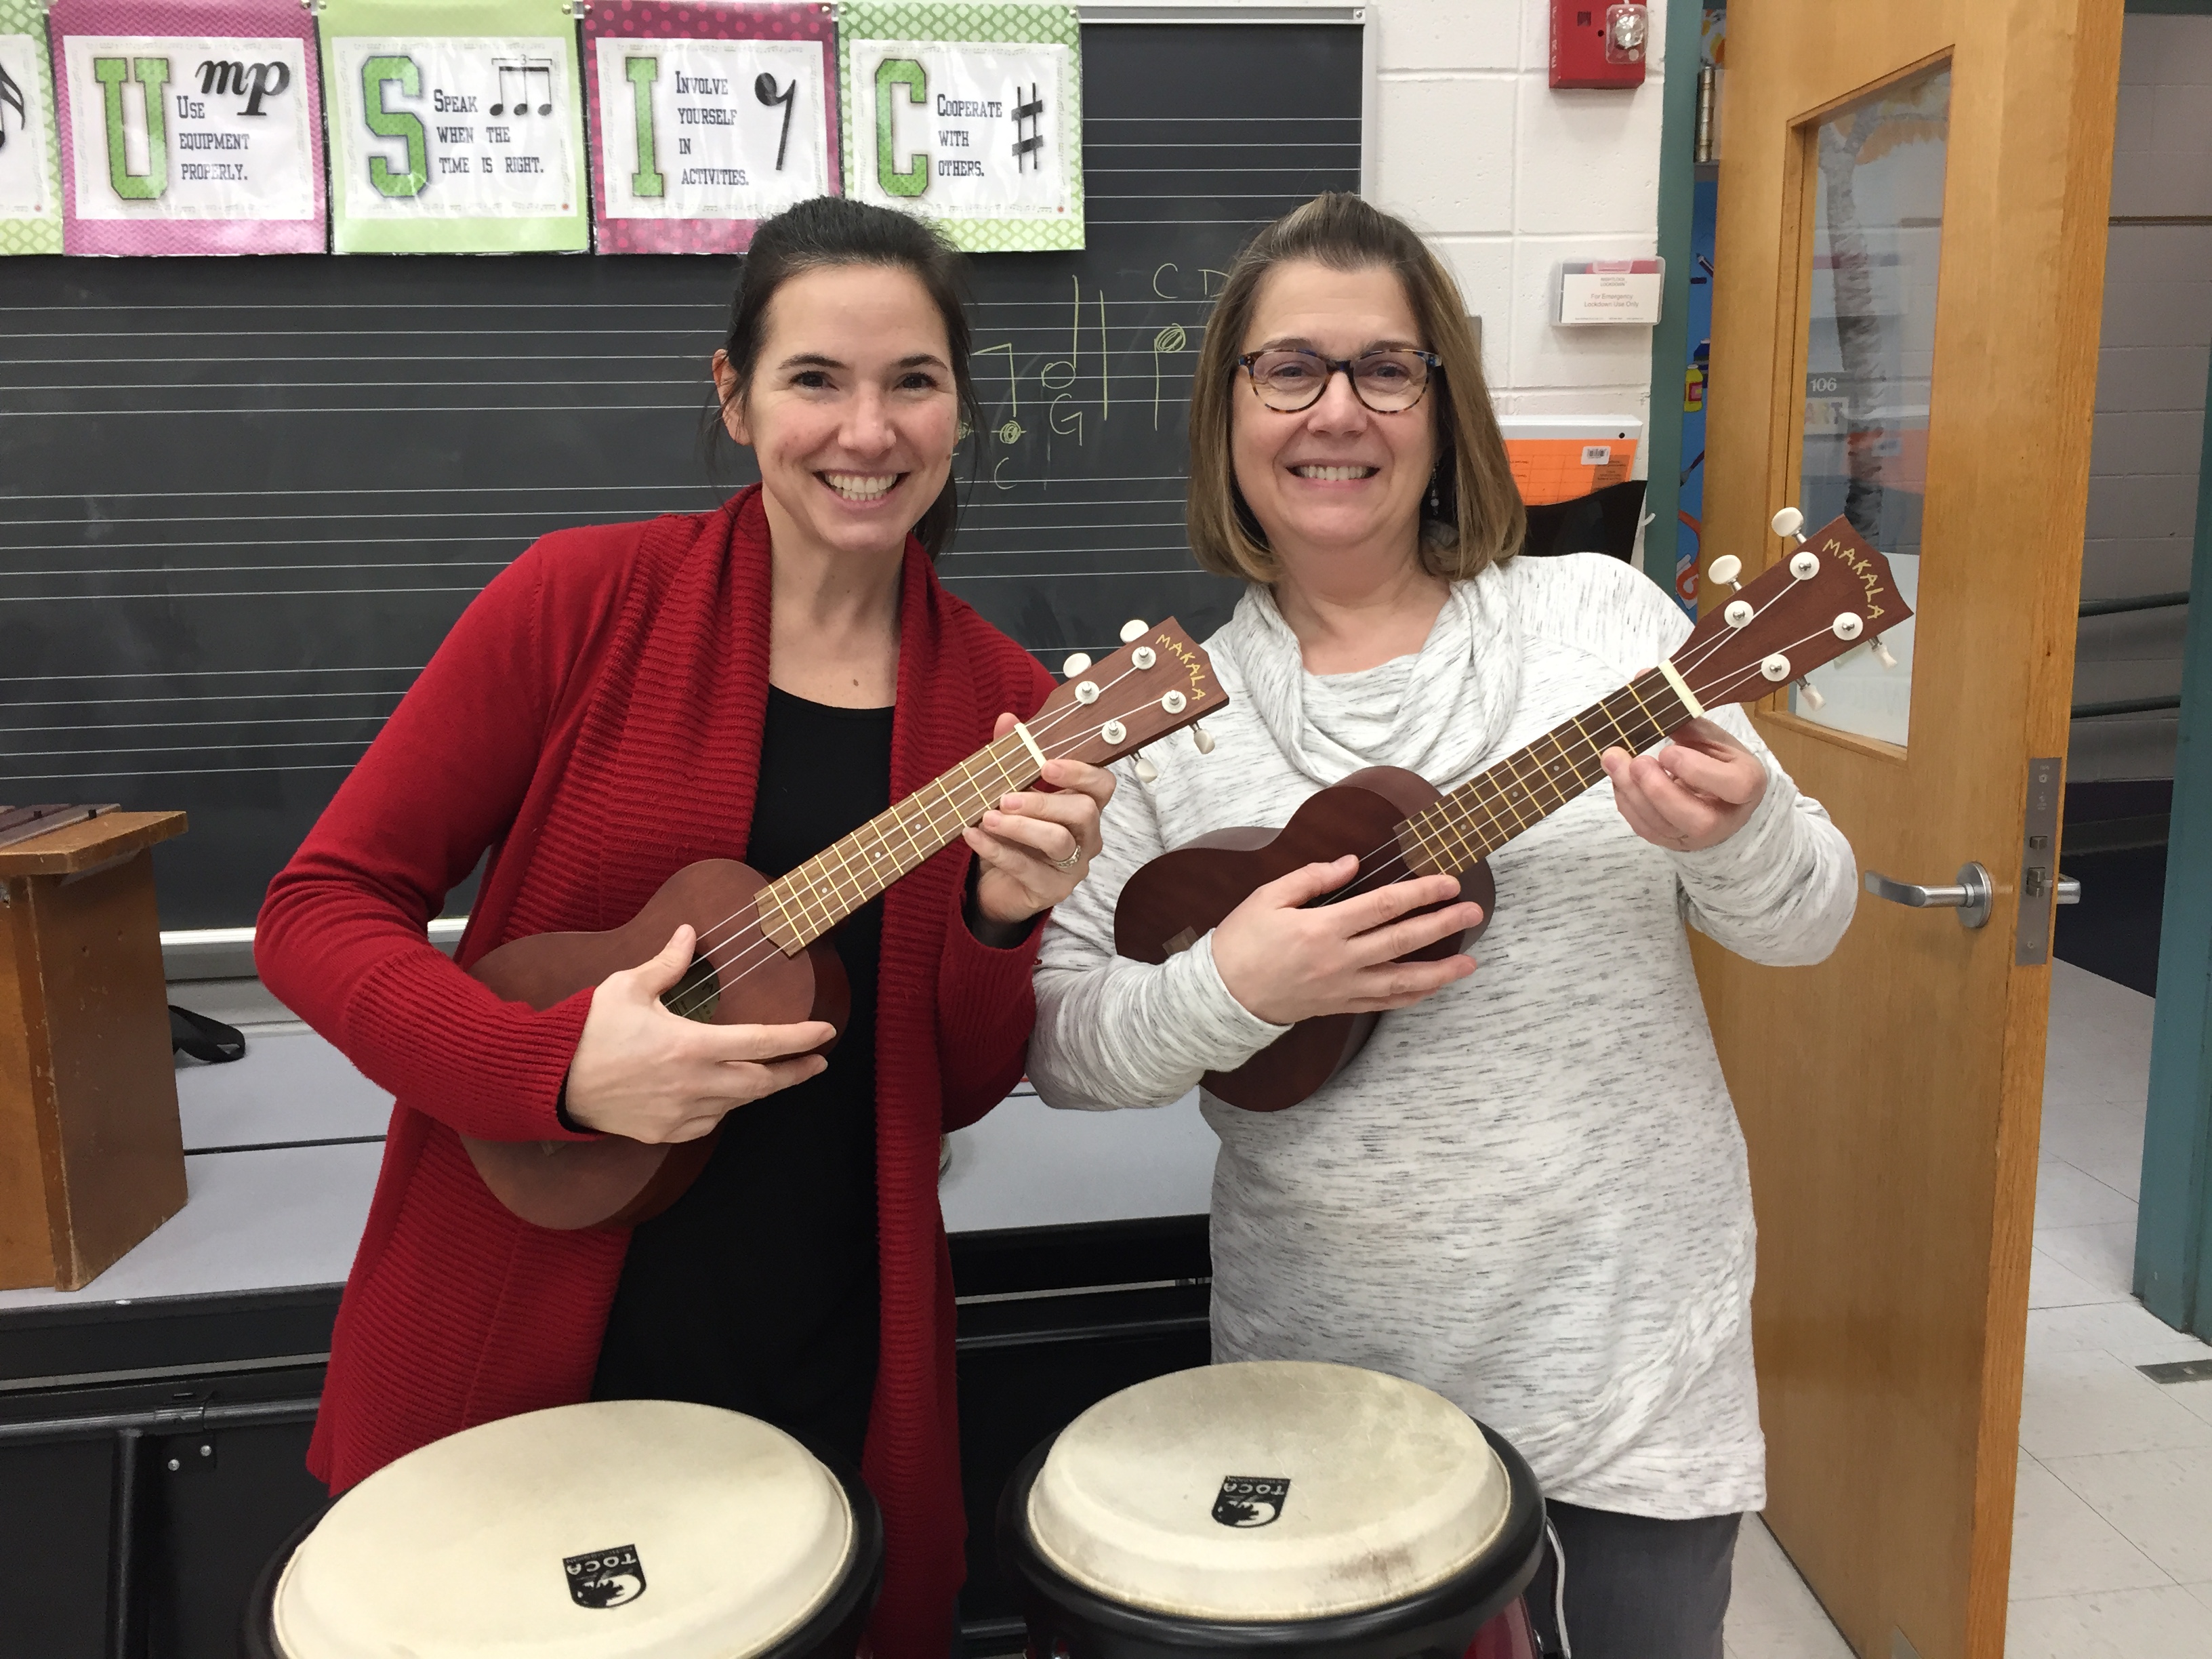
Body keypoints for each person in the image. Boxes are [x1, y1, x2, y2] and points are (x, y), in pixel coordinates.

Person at [256, 197, 1114, 1659]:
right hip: (527, 1312)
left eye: (914, 379)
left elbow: (955, 1089)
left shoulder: (1002, 706)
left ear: (962, 406)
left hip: (825, 1343)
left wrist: (998, 917)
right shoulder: (579, 603)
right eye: (814, 379)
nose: (869, 429)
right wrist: (553, 1072)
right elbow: (315, 911)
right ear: (733, 394)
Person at [1025, 193, 1856, 1659]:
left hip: (1627, 1355)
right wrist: (1238, 983)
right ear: (1230, 409)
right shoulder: (1163, 719)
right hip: (1323, 1374)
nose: (1336, 412)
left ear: (1440, 404)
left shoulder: (1605, 625)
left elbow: (1810, 924)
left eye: (1384, 370)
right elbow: (1067, 1045)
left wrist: (1745, 836)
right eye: (1290, 370)